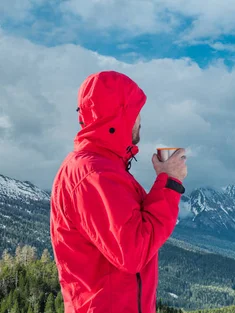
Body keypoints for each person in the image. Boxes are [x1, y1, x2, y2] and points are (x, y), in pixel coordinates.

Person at [50, 71, 188, 313]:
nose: (140, 120)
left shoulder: (104, 169)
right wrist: (170, 182)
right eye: (135, 112)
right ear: (118, 116)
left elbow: (135, 229)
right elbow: (134, 252)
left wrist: (165, 178)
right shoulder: (94, 174)